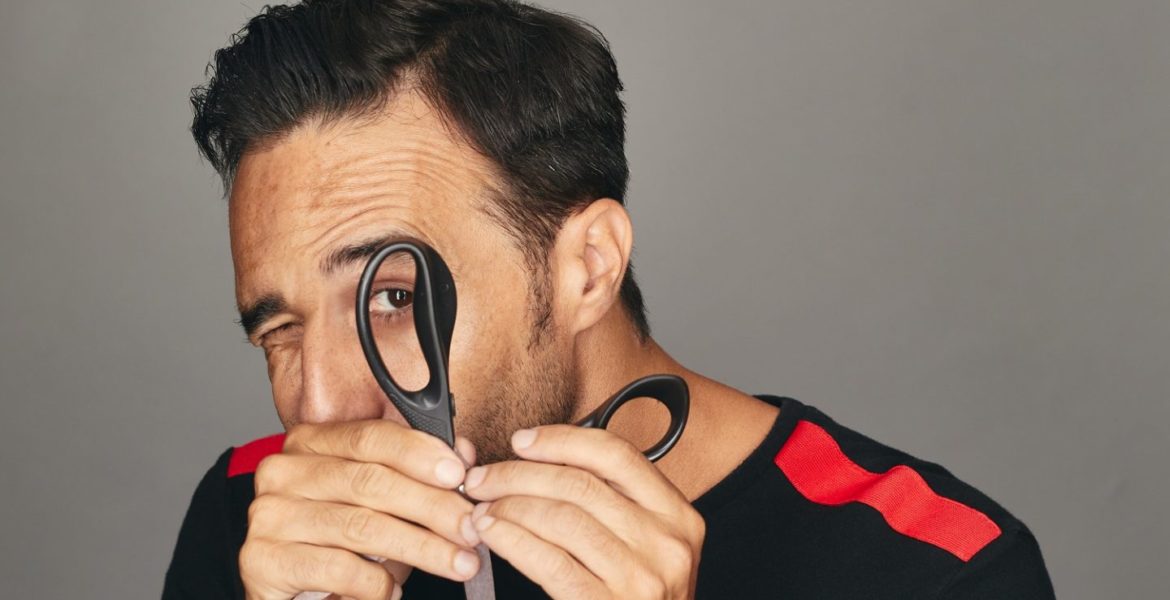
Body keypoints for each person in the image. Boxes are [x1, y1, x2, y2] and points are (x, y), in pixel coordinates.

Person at [163, 1, 1056, 598]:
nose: (320, 408)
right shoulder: (257, 521)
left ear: (586, 267)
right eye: (279, 332)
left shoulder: (936, 570)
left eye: (392, 296)